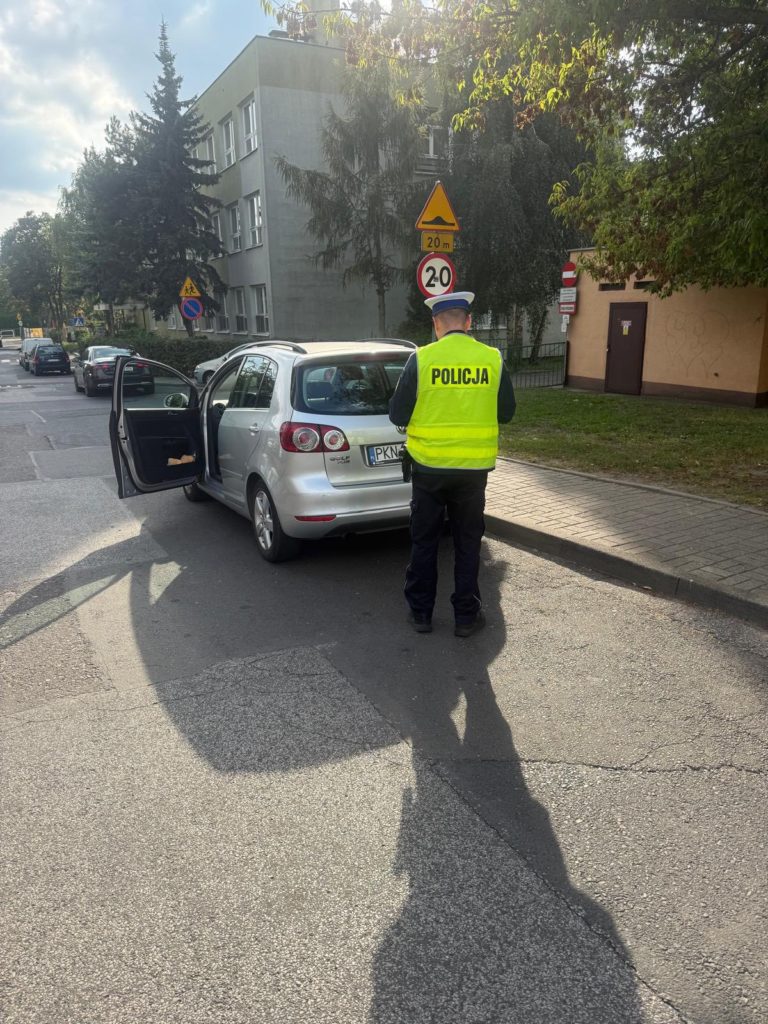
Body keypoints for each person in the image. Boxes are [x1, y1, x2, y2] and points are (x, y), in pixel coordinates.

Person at [389, 291, 516, 637]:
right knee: (467, 544)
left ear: (436, 324)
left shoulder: (422, 359)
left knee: (425, 542)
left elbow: (397, 413)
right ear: (469, 322)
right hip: (473, 473)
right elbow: (506, 412)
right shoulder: (491, 359)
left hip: (428, 469)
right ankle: (465, 617)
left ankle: (420, 614)